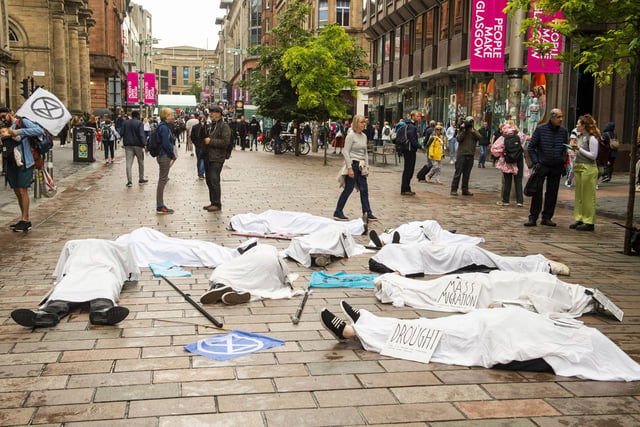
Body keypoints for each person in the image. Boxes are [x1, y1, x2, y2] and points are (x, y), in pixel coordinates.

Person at [320, 301, 640, 381]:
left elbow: (522, 358)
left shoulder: (575, 351)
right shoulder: (574, 330)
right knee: (434, 325)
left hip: (489, 337)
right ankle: (368, 322)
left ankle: (357, 331)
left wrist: (497, 351)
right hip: (492, 322)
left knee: (435, 336)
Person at [10, 239, 138, 328]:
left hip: (99, 271)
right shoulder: (114, 247)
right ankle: (45, 315)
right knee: (67, 291)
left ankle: (103, 312)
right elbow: (128, 265)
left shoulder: (80, 247)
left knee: (97, 292)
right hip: (83, 272)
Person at [0, 106, 44, 232]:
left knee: (22, 189)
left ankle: (26, 220)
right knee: (17, 191)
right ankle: (23, 218)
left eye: (4, 116)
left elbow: (39, 130)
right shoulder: (2, 127)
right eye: (0, 118)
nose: (3, 119)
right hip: (10, 162)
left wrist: (18, 132)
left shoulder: (21, 122)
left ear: (10, 113)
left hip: (24, 161)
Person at [525, 108, 568, 227]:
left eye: (561, 117)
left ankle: (547, 217)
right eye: (558, 117)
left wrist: (563, 160)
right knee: (537, 191)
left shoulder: (563, 132)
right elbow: (531, 147)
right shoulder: (540, 129)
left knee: (552, 193)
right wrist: (536, 162)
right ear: (552, 117)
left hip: (556, 166)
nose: (561, 119)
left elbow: (565, 147)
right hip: (542, 165)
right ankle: (533, 217)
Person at [333, 115, 378, 221]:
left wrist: (367, 166)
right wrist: (349, 168)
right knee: (348, 189)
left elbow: (365, 152)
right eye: (362, 122)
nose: (364, 124)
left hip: (361, 166)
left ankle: (367, 212)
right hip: (353, 164)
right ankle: (338, 211)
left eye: (365, 122)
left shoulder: (364, 136)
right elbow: (346, 152)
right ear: (356, 123)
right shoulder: (351, 135)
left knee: (364, 189)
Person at [569, 114, 600, 231]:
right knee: (579, 195)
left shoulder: (592, 138)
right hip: (579, 166)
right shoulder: (580, 136)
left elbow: (593, 156)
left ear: (584, 126)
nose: (576, 125)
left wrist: (579, 149)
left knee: (588, 196)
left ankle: (589, 221)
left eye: (578, 123)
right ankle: (580, 218)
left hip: (588, 168)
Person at [201, 105, 233, 212]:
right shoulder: (211, 125)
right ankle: (212, 202)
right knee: (209, 180)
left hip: (217, 157)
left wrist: (211, 141)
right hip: (208, 156)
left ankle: (217, 203)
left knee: (214, 179)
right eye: (210, 112)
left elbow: (225, 142)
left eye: (213, 112)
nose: (211, 114)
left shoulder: (224, 126)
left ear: (219, 114)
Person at [491, 121, 528, 207]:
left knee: (507, 181)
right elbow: (526, 139)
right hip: (518, 160)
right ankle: (520, 201)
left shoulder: (503, 137)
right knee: (518, 181)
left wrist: (502, 153)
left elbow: (494, 149)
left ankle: (506, 200)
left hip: (507, 160)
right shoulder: (519, 135)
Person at [450, 116, 481, 196]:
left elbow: (479, 137)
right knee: (458, 173)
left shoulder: (473, 131)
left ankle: (465, 189)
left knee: (467, 174)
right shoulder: (461, 130)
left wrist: (472, 131)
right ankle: (454, 189)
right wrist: (463, 130)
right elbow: (459, 139)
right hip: (462, 154)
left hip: (470, 155)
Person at [155, 108, 177, 214]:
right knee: (163, 180)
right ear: (166, 116)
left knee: (162, 180)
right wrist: (172, 155)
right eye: (171, 115)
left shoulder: (163, 126)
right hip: (164, 155)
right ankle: (160, 205)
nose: (173, 116)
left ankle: (160, 204)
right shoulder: (163, 127)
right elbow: (165, 143)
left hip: (163, 154)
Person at [121, 110, 148, 188]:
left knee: (128, 163)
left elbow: (121, 133)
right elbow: (141, 135)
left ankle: (129, 181)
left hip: (128, 145)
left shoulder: (125, 123)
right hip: (138, 145)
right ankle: (141, 178)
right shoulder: (139, 123)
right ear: (138, 116)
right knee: (141, 162)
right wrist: (144, 144)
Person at [400, 111, 422, 196]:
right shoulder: (411, 127)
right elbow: (412, 138)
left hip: (408, 149)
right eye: (417, 116)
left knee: (408, 169)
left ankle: (406, 188)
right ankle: (405, 188)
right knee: (409, 170)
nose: (419, 118)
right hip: (409, 150)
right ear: (412, 116)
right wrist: (419, 146)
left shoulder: (409, 125)